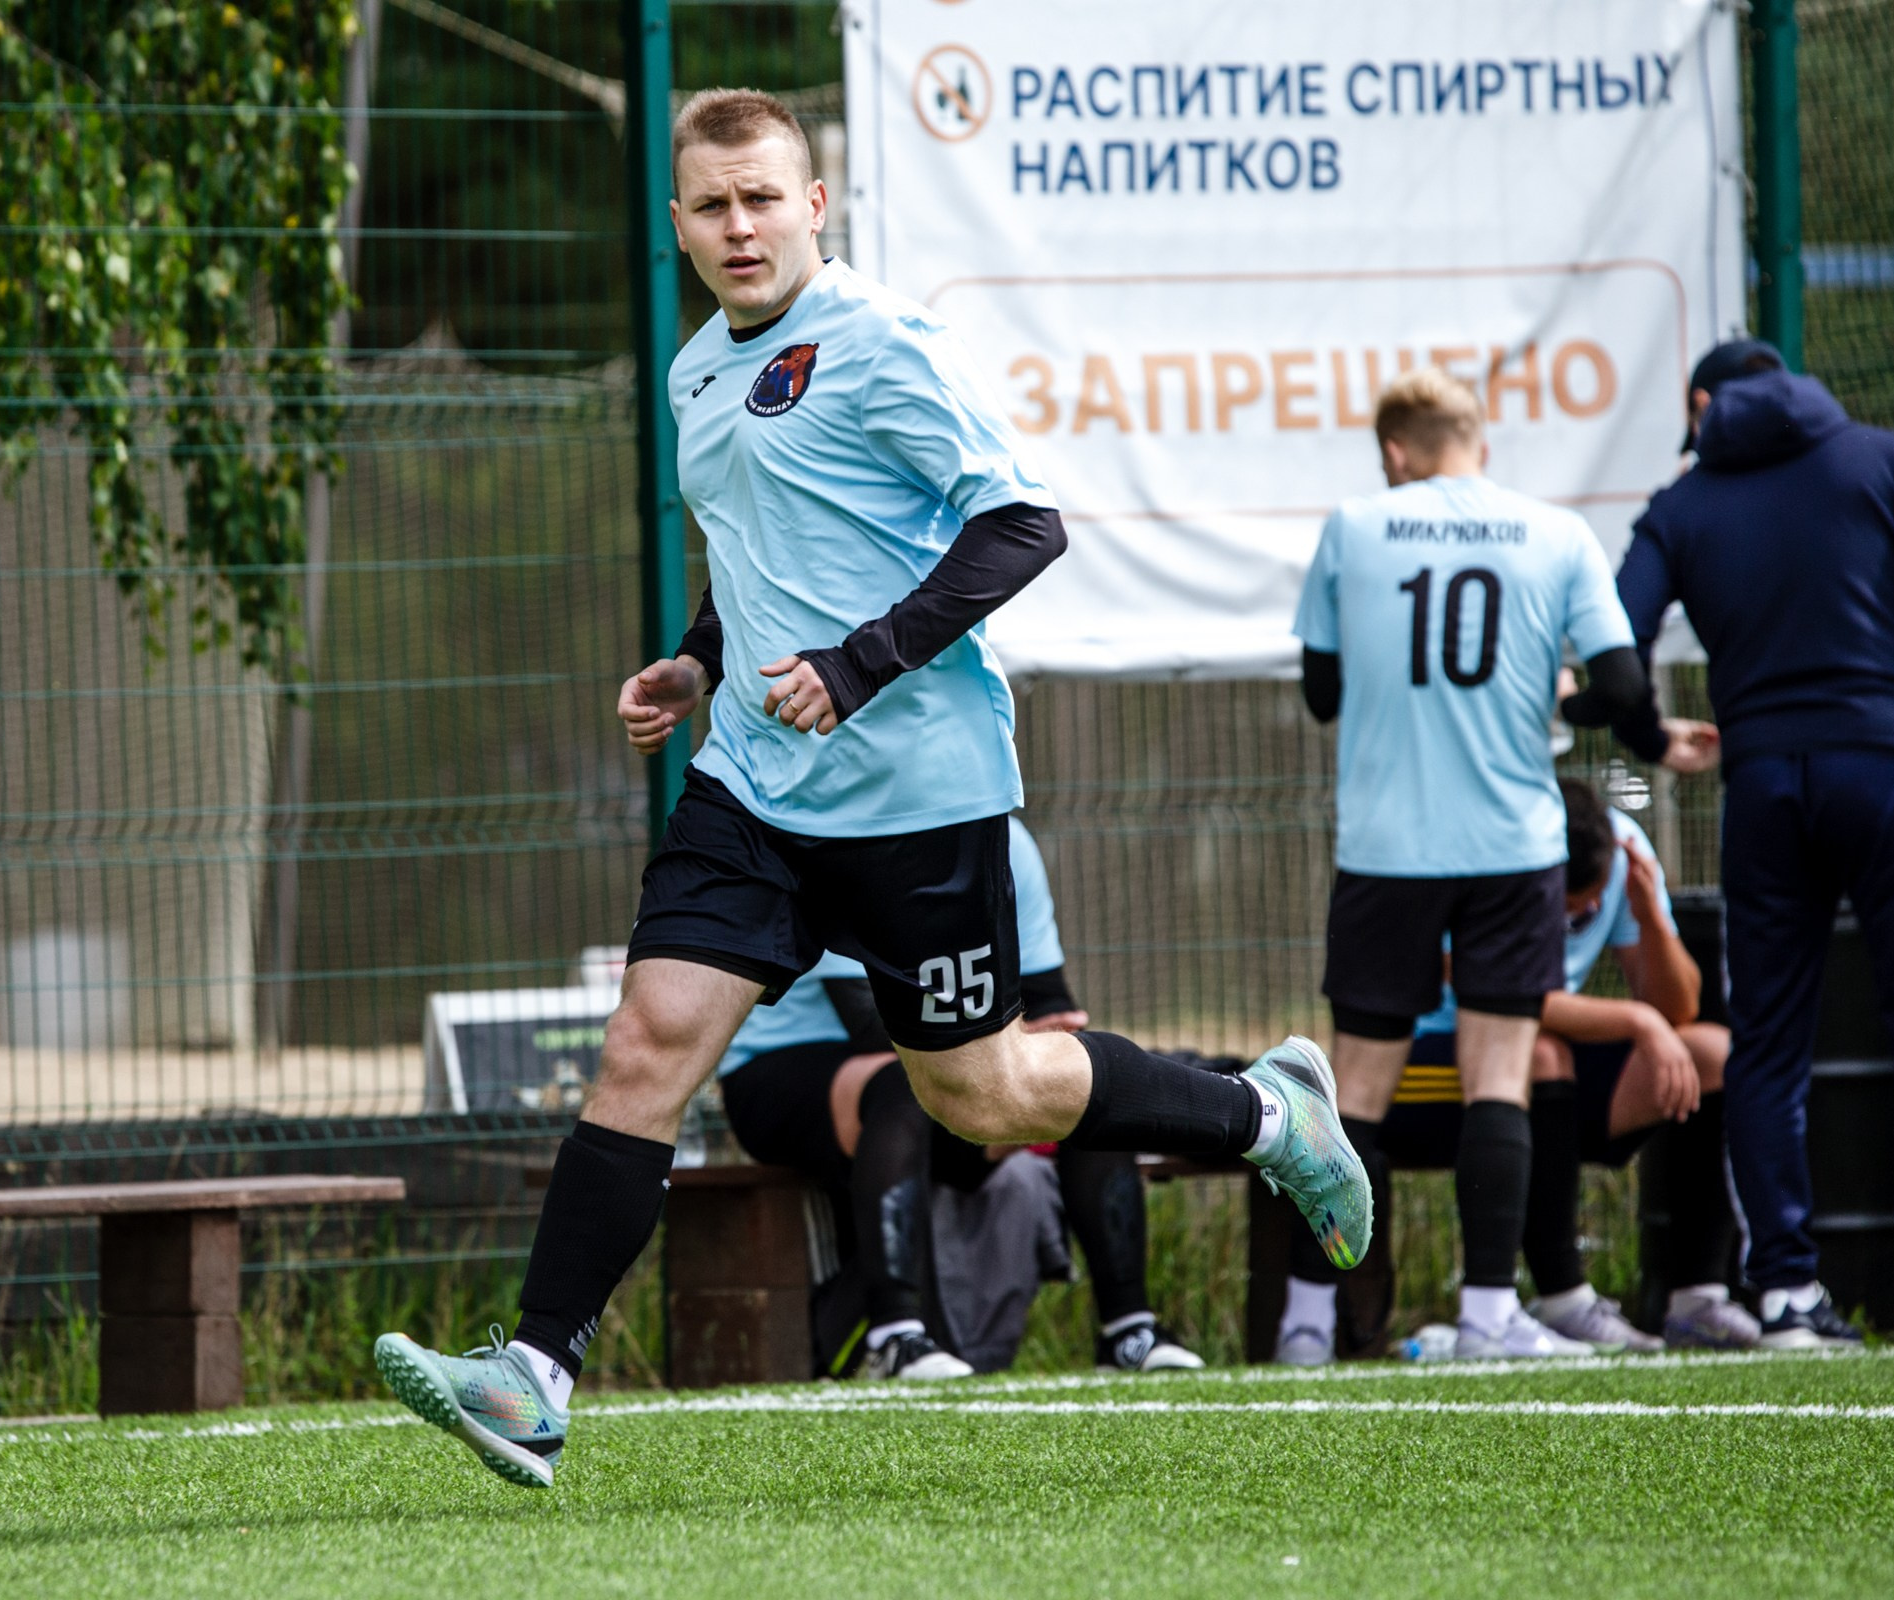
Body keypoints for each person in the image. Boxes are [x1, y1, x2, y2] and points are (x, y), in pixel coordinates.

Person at [372, 89, 1368, 1489]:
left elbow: (1022, 525)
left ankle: (1267, 1114)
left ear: (814, 204)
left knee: (986, 1094)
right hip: (754, 788)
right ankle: (535, 1376)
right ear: (678, 223)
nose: (739, 226)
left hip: (917, 797)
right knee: (648, 1041)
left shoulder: (882, 341)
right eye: (712, 205)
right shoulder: (696, 374)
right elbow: (760, 551)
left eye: (762, 198)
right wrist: (700, 663)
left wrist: (859, 665)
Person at [1283, 368, 1650, 1363]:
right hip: (1511, 847)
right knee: (1499, 1078)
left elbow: (1321, 693)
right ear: (1480, 447)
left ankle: (1308, 1323)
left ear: (1393, 452)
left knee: (1354, 1091)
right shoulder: (1556, 532)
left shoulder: (1354, 526)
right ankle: (1489, 1312)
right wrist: (1560, 702)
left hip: (1388, 847)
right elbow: (1622, 686)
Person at [1612, 338, 1894, 1352]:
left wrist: (1649, 738)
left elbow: (1618, 645)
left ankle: (1788, 1292)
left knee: (1767, 1040)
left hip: (1763, 782)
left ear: (1701, 404)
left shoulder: (1683, 504)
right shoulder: (1883, 459)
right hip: (1890, 768)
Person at [718, 817, 1203, 1378]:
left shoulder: (1010, 843)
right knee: (900, 1085)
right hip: (788, 1065)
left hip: (953, 1068)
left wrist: (1043, 1045)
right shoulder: (849, 831)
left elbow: (1050, 1001)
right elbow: (867, 1021)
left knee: (1080, 1071)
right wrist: (1006, 1048)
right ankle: (894, 1336)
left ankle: (1128, 1331)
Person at [1355, 779, 1752, 1354]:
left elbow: (1679, 1008)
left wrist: (1649, 919)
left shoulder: (1622, 848)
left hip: (1541, 1069)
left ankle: (1697, 1300)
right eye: (1567, 909)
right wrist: (1638, 1021)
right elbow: (1500, 996)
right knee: (1541, 1051)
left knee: (1714, 1053)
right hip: (1423, 1062)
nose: (1583, 916)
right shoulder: (1482, 852)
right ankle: (1562, 1300)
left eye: (1590, 906)